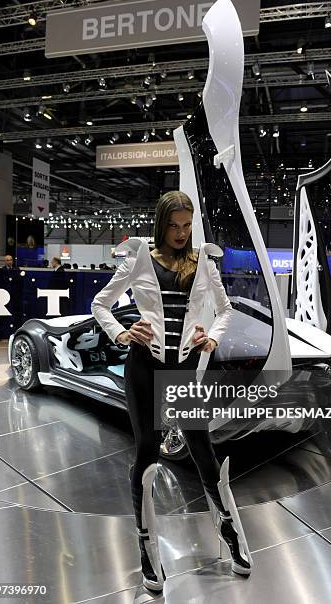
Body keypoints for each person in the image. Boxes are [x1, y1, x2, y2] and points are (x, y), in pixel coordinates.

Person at [91, 191, 252, 593]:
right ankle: (146, 547)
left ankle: (230, 529)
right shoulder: (139, 258)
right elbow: (101, 303)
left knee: (202, 448)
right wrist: (122, 332)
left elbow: (226, 308)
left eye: (186, 225)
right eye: (173, 225)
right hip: (144, 365)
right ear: (161, 224)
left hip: (181, 367)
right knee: (147, 451)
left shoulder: (204, 263)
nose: (180, 233)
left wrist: (212, 337)